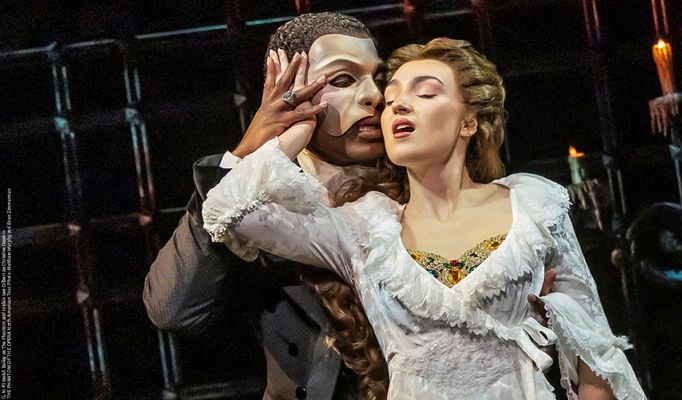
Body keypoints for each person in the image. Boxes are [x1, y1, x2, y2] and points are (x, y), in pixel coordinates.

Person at [201, 38, 646, 399]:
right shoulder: (363, 228)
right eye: (391, 100)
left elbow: (594, 351)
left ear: (469, 122)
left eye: (426, 93)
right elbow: (230, 212)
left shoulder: (533, 204)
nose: (398, 106)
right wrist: (296, 129)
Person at [144, 12, 392, 399]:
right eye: (343, 80)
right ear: (286, 92)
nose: (374, 95)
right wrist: (247, 155)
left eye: (379, 78)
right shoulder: (259, 199)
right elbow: (174, 309)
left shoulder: (421, 178)